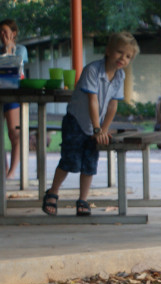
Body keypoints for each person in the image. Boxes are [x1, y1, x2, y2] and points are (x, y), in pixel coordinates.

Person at [42, 32, 139, 216]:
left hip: (96, 125)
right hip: (76, 121)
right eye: (119, 52)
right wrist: (96, 128)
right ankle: (52, 192)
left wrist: (103, 130)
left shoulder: (119, 76)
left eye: (128, 56)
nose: (123, 58)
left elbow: (112, 105)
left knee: (90, 162)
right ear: (108, 50)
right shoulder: (92, 70)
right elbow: (92, 101)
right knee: (70, 160)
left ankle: (83, 199)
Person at [1, 19, 28, 179]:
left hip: (13, 94)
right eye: (0, 32)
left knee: (14, 132)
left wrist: (8, 51)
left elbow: (13, 72)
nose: (2, 35)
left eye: (5, 31)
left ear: (13, 33)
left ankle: (12, 171)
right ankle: (3, 169)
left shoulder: (21, 50)